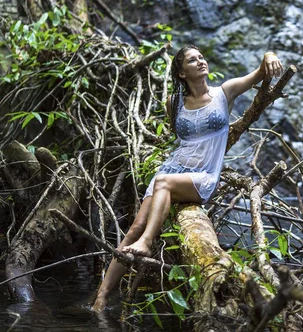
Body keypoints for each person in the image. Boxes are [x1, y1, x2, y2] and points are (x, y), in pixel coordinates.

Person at [91, 45, 283, 311]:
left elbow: (260, 72)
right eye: (193, 60)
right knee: (134, 227)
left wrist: (269, 56)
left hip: (203, 176)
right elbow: (182, 142)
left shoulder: (223, 92)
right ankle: (101, 295)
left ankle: (147, 243)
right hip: (172, 169)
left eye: (202, 57)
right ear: (182, 73)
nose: (201, 61)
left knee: (162, 186)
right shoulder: (174, 103)